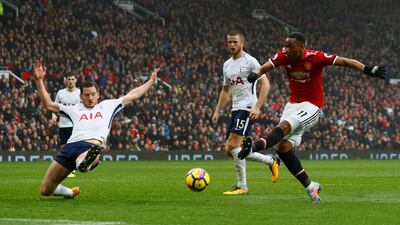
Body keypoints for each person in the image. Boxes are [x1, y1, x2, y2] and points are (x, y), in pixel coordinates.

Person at [238, 32, 387, 203]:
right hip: (292, 105)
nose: (285, 49)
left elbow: (344, 61)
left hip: (312, 106)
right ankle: (311, 186)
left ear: (301, 47)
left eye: (290, 46)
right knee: (282, 147)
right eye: (285, 45)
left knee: (285, 127)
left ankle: (252, 148)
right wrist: (255, 74)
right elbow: (264, 67)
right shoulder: (283, 56)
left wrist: (368, 69)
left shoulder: (316, 57)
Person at [32, 59, 160, 198]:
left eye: (93, 94)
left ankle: (84, 162)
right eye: (87, 95)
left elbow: (133, 95)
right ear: (80, 97)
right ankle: (70, 192)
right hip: (69, 147)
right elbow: (48, 105)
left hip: (90, 145)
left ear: (98, 94)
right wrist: (39, 80)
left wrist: (151, 81)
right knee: (46, 190)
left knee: (84, 158)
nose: (91, 97)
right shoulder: (73, 109)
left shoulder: (108, 106)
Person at [212, 30, 280, 195]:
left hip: (247, 107)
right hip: (235, 109)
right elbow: (225, 90)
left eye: (235, 42)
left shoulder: (250, 61)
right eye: (229, 42)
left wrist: (257, 106)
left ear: (242, 43)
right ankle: (271, 161)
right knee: (230, 150)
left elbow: (265, 84)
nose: (232, 45)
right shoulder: (227, 65)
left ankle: (242, 186)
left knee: (233, 145)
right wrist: (217, 110)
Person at [51, 73, 81, 178]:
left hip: (75, 125)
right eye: (69, 79)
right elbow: (54, 106)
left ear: (76, 80)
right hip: (63, 125)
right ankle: (66, 168)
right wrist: (53, 115)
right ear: (66, 80)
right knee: (64, 148)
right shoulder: (61, 93)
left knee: (74, 147)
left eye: (73, 79)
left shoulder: (80, 93)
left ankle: (73, 168)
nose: (71, 81)